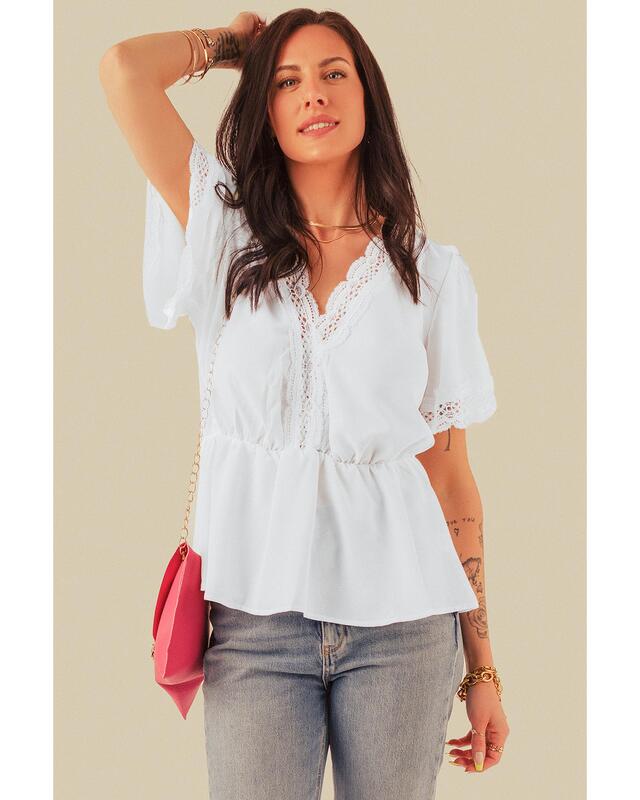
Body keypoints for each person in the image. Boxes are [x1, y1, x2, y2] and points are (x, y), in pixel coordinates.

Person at [99, 7, 510, 798]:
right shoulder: (224, 233)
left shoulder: (431, 275)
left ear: (368, 97)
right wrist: (236, 50)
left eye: (333, 74)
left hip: (405, 627)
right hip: (255, 623)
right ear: (266, 108)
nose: (313, 94)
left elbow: (452, 480)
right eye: (287, 82)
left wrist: (483, 667)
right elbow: (124, 70)